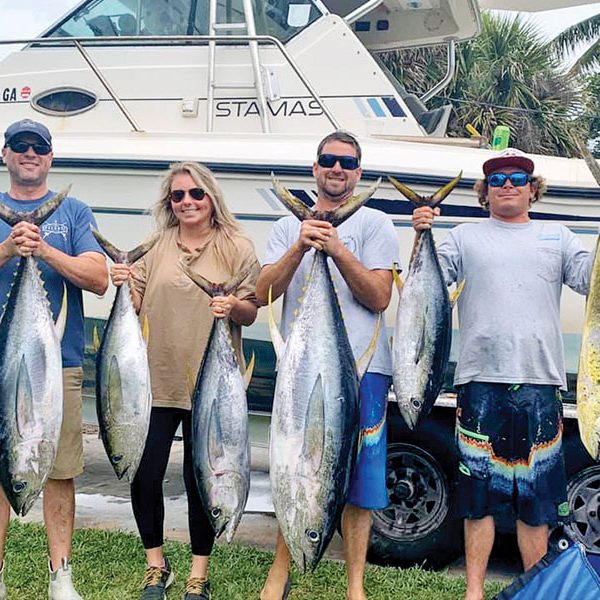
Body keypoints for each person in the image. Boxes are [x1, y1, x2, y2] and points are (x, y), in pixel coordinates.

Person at [412, 148, 594, 600]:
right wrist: (422, 234)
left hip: (540, 383)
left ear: (533, 190)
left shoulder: (558, 236)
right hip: (479, 382)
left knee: (535, 503)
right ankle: (474, 592)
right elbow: (431, 282)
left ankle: (533, 588)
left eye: (517, 178)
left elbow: (591, 282)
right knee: (478, 499)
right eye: (496, 180)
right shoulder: (462, 237)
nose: (507, 184)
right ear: (484, 193)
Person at [256, 130, 399, 600]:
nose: (337, 168)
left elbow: (379, 298)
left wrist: (336, 247)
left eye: (347, 162)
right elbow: (263, 295)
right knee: (293, 466)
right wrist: (301, 245)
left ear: (357, 172)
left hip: (364, 370)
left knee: (359, 480)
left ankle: (354, 584)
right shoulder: (285, 227)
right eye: (328, 160)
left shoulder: (375, 223)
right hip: (299, 372)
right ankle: (279, 573)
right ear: (315, 168)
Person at [110, 161, 260, 600]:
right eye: (178, 196)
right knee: (144, 474)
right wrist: (122, 279)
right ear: (169, 203)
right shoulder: (154, 246)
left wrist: (230, 305)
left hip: (215, 389)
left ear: (211, 197)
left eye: (196, 193)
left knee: (203, 479)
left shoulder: (237, 246)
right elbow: (135, 302)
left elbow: (251, 312)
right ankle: (156, 566)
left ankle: (199, 572)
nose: (187, 202)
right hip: (154, 383)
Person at [0, 118, 108, 600]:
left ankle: (60, 574)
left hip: (57, 363)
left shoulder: (77, 213)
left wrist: (42, 249)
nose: (29, 153)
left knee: (60, 470)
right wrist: (8, 248)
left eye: (37, 147)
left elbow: (99, 276)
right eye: (19, 146)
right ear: (5, 155)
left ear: (50, 157)